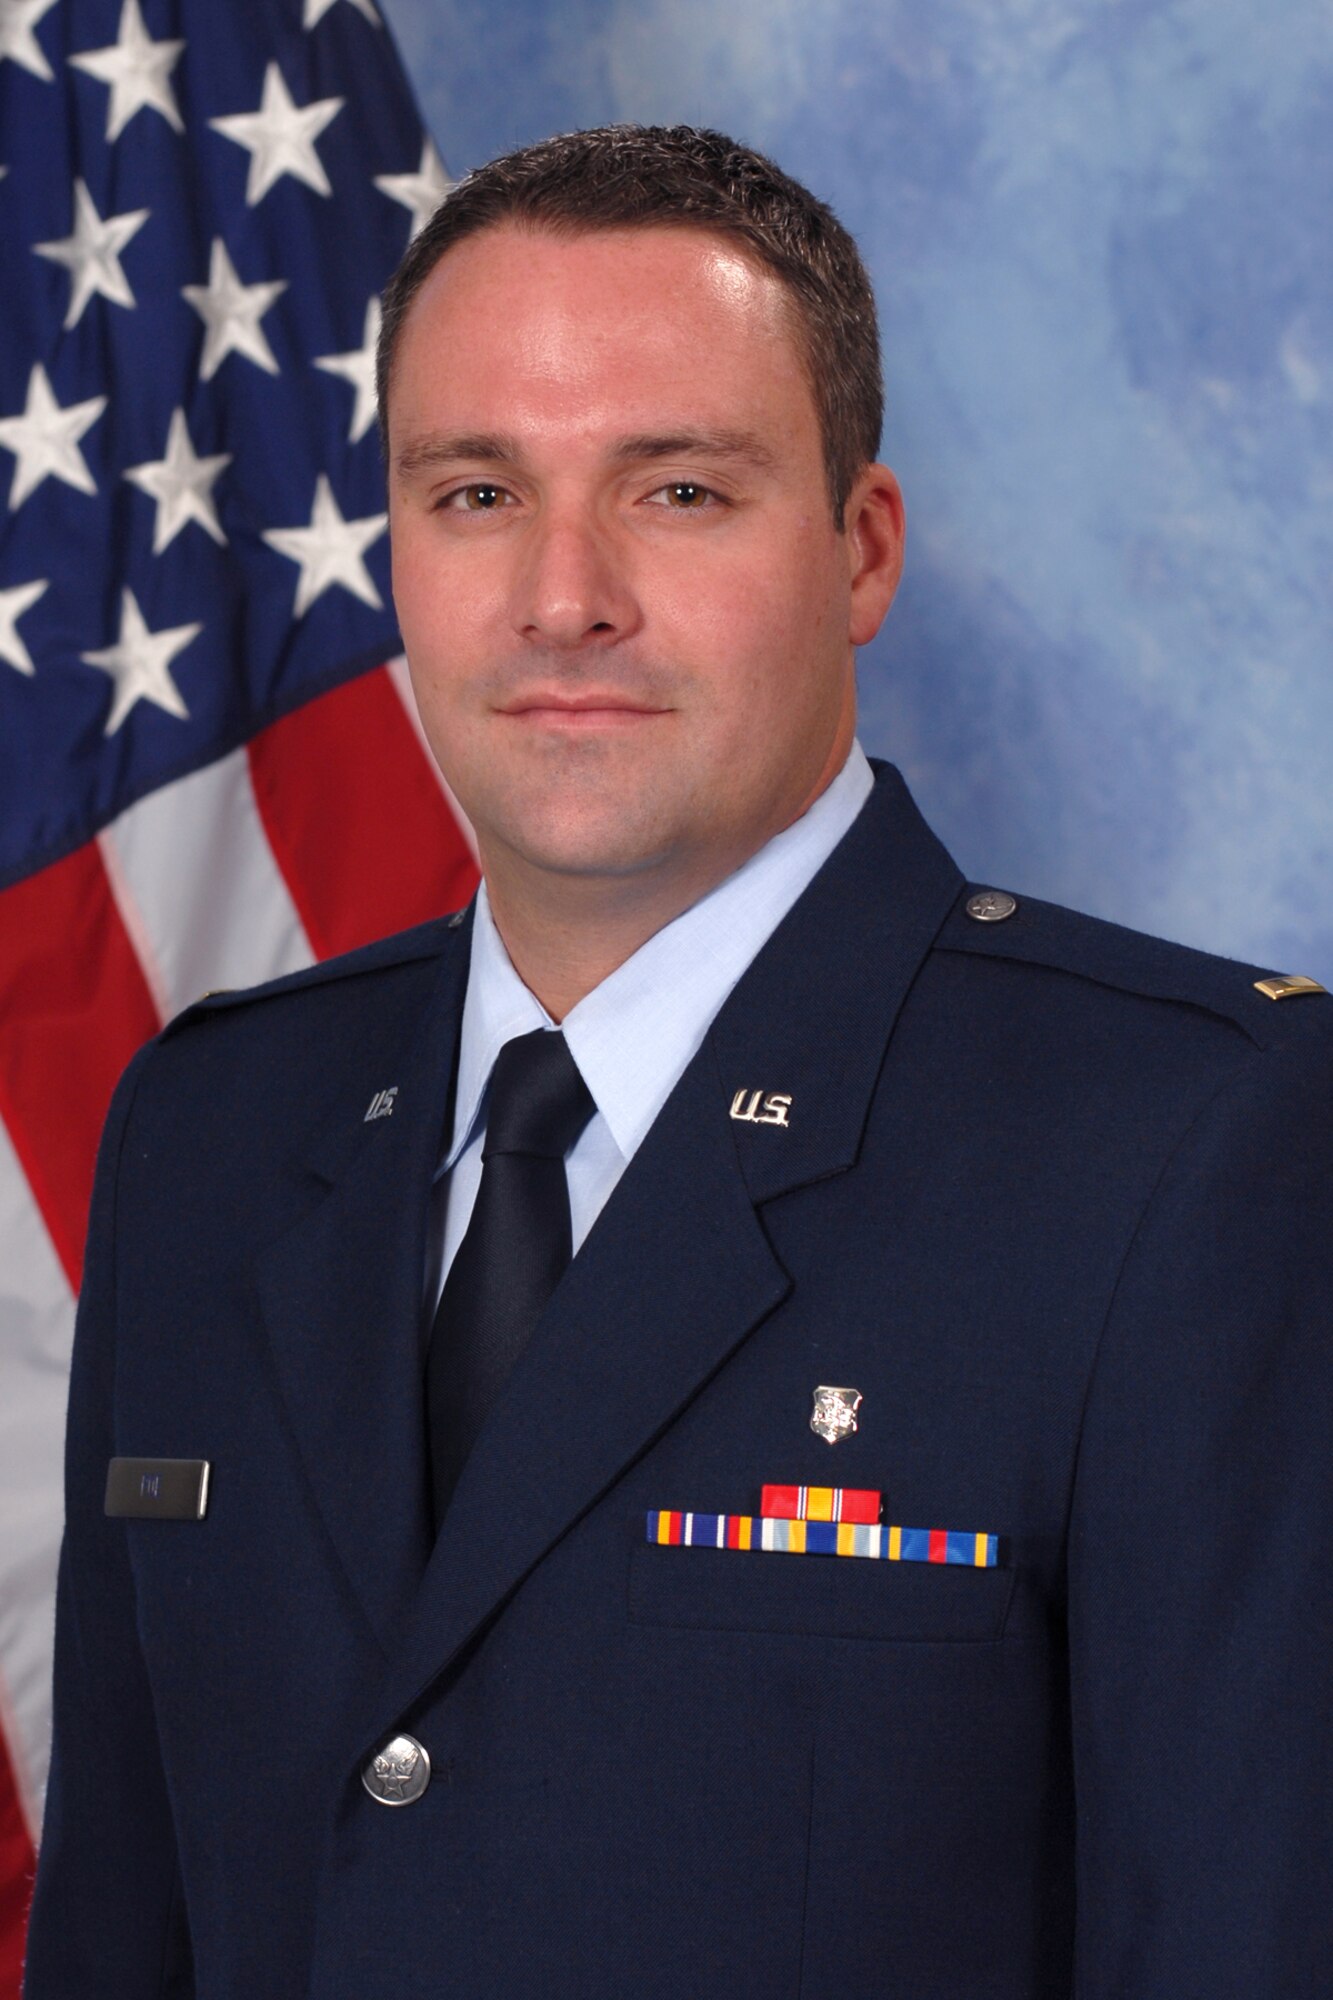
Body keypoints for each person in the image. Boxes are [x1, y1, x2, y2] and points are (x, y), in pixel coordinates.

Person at [25, 125, 1333, 2000]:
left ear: (859, 549)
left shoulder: (1184, 1144)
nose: (563, 597)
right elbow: (123, 1933)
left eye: (678, 492)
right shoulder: (217, 1129)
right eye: (475, 493)